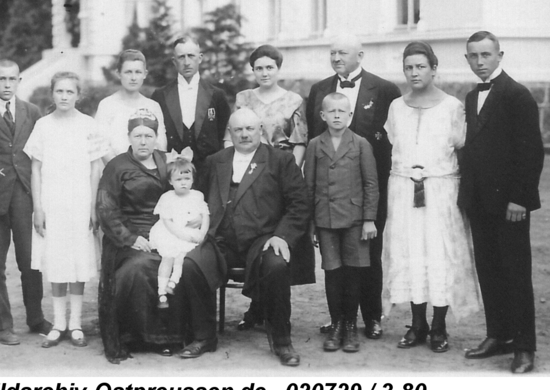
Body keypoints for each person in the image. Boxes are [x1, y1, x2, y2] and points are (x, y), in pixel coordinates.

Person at [96, 111, 222, 363]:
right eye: (138, 136)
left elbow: (190, 188)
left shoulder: (168, 161)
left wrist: (196, 215)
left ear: (156, 138)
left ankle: (173, 337)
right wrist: (129, 237)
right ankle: (140, 337)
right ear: (128, 137)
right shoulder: (117, 166)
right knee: (139, 266)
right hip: (131, 236)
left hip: (171, 229)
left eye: (149, 136)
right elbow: (106, 208)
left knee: (187, 262)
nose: (143, 141)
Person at [383, 41, 481, 353]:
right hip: (403, 190)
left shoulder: (452, 107)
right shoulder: (397, 107)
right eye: (409, 67)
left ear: (434, 69)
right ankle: (417, 324)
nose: (414, 72)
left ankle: (439, 326)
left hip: (440, 191)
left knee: (438, 254)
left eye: (421, 66)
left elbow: (463, 150)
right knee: (410, 251)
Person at [458, 31, 545, 374]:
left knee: (516, 272)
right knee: (488, 269)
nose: (480, 62)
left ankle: (524, 347)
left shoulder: (516, 95)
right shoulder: (469, 97)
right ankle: (499, 335)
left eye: (485, 55)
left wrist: (520, 199)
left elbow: (530, 151)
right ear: (467, 60)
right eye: (473, 56)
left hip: (510, 203)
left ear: (499, 55)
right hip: (480, 201)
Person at [305, 34, 400, 340]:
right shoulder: (319, 90)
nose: (336, 58)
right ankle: (341, 319)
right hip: (329, 198)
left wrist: (371, 207)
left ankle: (371, 317)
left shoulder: (385, 89)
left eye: (342, 52)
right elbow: (314, 145)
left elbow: (388, 143)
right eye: (332, 53)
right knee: (335, 264)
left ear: (360, 54)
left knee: (367, 256)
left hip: (367, 193)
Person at [203, 108, 313, 367]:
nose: (244, 134)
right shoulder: (215, 161)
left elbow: (299, 204)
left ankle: (282, 340)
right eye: (238, 129)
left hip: (263, 239)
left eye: (249, 128)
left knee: (275, 265)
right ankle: (201, 335)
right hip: (222, 240)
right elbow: (198, 199)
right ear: (230, 133)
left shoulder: (280, 161)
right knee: (192, 263)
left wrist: (282, 236)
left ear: (260, 130)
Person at [24, 72, 106, 349]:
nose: (64, 97)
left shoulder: (88, 124)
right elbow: (35, 168)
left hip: (81, 202)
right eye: (59, 91)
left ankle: (76, 324)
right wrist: (37, 207)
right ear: (52, 94)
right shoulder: (43, 125)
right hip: (52, 202)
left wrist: (94, 206)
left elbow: (96, 168)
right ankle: (58, 324)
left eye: (70, 92)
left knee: (78, 262)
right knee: (57, 262)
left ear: (78, 95)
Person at [0, 58, 50, 347]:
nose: (7, 85)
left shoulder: (31, 112)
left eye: (12, 79)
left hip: (24, 195)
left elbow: (40, 152)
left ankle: (36, 317)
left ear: (19, 81)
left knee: (30, 261)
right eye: (1, 79)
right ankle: (2, 324)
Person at [305, 93, 379, 353]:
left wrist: (369, 219)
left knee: (354, 274)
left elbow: (371, 184)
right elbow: (309, 186)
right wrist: (312, 224)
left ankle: (350, 326)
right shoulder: (315, 144)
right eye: (331, 111)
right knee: (333, 273)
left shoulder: (360, 144)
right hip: (326, 220)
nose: (337, 115)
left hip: (355, 221)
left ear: (350, 115)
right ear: (322, 116)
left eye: (342, 111)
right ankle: (336, 324)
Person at [154, 35, 230, 174]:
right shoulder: (161, 96)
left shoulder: (217, 95)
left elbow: (223, 135)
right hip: (174, 173)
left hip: (209, 172)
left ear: (200, 58)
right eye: (181, 57)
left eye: (191, 56)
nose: (187, 62)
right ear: (174, 61)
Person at [150, 153, 210, 307]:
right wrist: (182, 236)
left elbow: (205, 215)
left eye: (187, 179)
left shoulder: (197, 196)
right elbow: (168, 222)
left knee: (182, 257)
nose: (183, 183)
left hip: (189, 232)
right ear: (170, 181)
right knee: (168, 257)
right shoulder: (167, 197)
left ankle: (173, 282)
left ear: (192, 180)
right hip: (171, 233)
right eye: (178, 180)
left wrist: (202, 233)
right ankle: (161, 291)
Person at [234, 44, 308, 167]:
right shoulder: (243, 98)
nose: (264, 73)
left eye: (269, 68)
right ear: (253, 71)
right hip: (247, 165)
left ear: (278, 68)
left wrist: (291, 172)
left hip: (281, 166)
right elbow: (230, 138)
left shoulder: (293, 101)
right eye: (259, 68)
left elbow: (300, 143)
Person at [95, 49, 168, 162]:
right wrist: (122, 172)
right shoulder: (107, 105)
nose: (133, 78)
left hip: (148, 173)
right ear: (118, 74)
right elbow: (103, 146)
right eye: (128, 72)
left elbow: (160, 145)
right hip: (117, 172)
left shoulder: (153, 106)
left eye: (138, 72)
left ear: (145, 74)